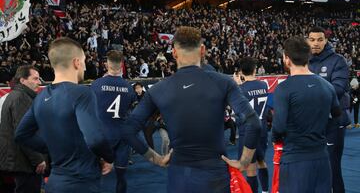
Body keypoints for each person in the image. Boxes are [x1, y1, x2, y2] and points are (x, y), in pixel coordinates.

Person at [121, 26, 261, 193]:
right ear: (202, 50)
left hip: (179, 178)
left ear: (173, 53)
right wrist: (244, 162)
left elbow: (128, 130)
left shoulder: (158, 89)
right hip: (215, 177)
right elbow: (253, 122)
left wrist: (156, 159)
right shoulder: (224, 82)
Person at [14, 37, 114, 193]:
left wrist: (54, 147)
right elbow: (95, 139)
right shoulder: (82, 93)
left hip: (54, 182)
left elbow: (21, 135)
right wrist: (109, 157)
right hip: (81, 184)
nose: (85, 68)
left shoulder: (40, 97)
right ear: (76, 62)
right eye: (84, 62)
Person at [272, 37, 342, 193]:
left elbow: (279, 127)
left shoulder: (284, 89)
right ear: (308, 56)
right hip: (322, 158)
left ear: (286, 59)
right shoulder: (327, 86)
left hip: (295, 159)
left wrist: (275, 139)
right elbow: (337, 116)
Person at [308, 27, 350, 193]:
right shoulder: (304, 60)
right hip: (311, 122)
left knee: (332, 167)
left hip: (333, 122)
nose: (316, 43)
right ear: (307, 41)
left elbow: (338, 89)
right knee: (312, 167)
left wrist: (307, 91)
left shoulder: (338, 60)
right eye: (312, 39)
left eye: (319, 39)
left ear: (325, 41)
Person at [90, 50, 138, 193]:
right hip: (122, 135)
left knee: (95, 174)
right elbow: (133, 112)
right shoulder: (129, 87)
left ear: (107, 64)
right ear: (122, 65)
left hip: (102, 135)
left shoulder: (97, 84)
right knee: (121, 177)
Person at [0, 65, 46, 193]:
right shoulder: (21, 98)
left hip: (18, 160)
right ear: (22, 80)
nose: (39, 82)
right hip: (23, 163)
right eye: (35, 79)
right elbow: (24, 133)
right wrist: (38, 159)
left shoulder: (18, 96)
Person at [235, 57, 269, 193]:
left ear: (241, 71)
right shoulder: (264, 85)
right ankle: (266, 190)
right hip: (262, 129)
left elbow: (238, 114)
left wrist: (238, 85)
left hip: (248, 132)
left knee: (250, 168)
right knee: (261, 161)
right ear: (255, 70)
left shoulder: (240, 90)